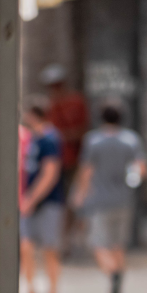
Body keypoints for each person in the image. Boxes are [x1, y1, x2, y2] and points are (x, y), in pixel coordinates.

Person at [71, 100, 147, 293]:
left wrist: (80, 194)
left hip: (100, 200)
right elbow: (141, 169)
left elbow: (87, 171)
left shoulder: (93, 141)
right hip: (124, 199)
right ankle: (118, 279)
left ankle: (113, 273)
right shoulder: (131, 140)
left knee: (97, 244)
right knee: (118, 244)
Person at [21, 98, 66, 293]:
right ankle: (31, 292)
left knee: (50, 249)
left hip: (47, 203)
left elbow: (50, 173)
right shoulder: (31, 138)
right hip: (29, 202)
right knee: (26, 248)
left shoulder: (50, 138)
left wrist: (31, 198)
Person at [41, 64, 90, 252]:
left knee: (73, 200)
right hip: (54, 161)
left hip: (73, 160)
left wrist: (64, 135)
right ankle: (58, 241)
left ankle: (67, 239)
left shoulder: (76, 102)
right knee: (56, 202)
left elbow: (82, 129)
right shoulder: (49, 106)